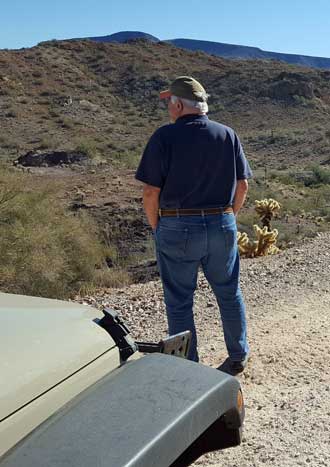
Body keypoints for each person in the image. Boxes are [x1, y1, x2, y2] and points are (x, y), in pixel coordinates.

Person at [135, 76, 252, 373]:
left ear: (177, 104)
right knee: (228, 291)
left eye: (169, 103)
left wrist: (157, 227)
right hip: (222, 222)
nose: (168, 109)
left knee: (179, 301)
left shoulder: (164, 137)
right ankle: (238, 355)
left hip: (177, 226)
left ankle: (189, 367)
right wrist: (228, 217)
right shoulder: (227, 135)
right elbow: (242, 186)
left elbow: (150, 192)